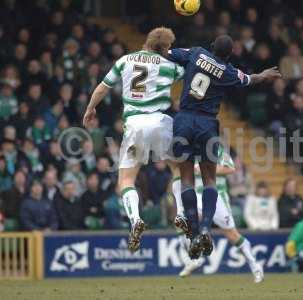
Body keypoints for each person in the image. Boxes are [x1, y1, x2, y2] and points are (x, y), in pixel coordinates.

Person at [168, 34, 281, 258]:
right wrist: (265, 75)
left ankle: (191, 233)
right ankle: (206, 229)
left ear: (211, 47)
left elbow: (168, 53)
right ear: (229, 55)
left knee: (187, 178)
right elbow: (251, 79)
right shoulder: (227, 71)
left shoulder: (196, 53)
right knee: (210, 180)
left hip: (184, 121)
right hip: (207, 124)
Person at [83, 27, 184, 252]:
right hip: (161, 122)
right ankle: (181, 213)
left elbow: (103, 87)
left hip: (135, 125)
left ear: (147, 42)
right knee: (178, 169)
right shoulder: (170, 66)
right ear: (166, 47)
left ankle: (136, 220)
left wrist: (91, 108)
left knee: (126, 180)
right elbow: (191, 71)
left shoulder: (125, 60)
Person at [172, 146, 264, 283]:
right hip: (196, 195)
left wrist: (206, 170)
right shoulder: (188, 151)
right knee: (180, 220)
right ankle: (191, 260)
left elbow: (230, 168)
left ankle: (255, 267)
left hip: (217, 195)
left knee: (232, 235)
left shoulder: (216, 149)